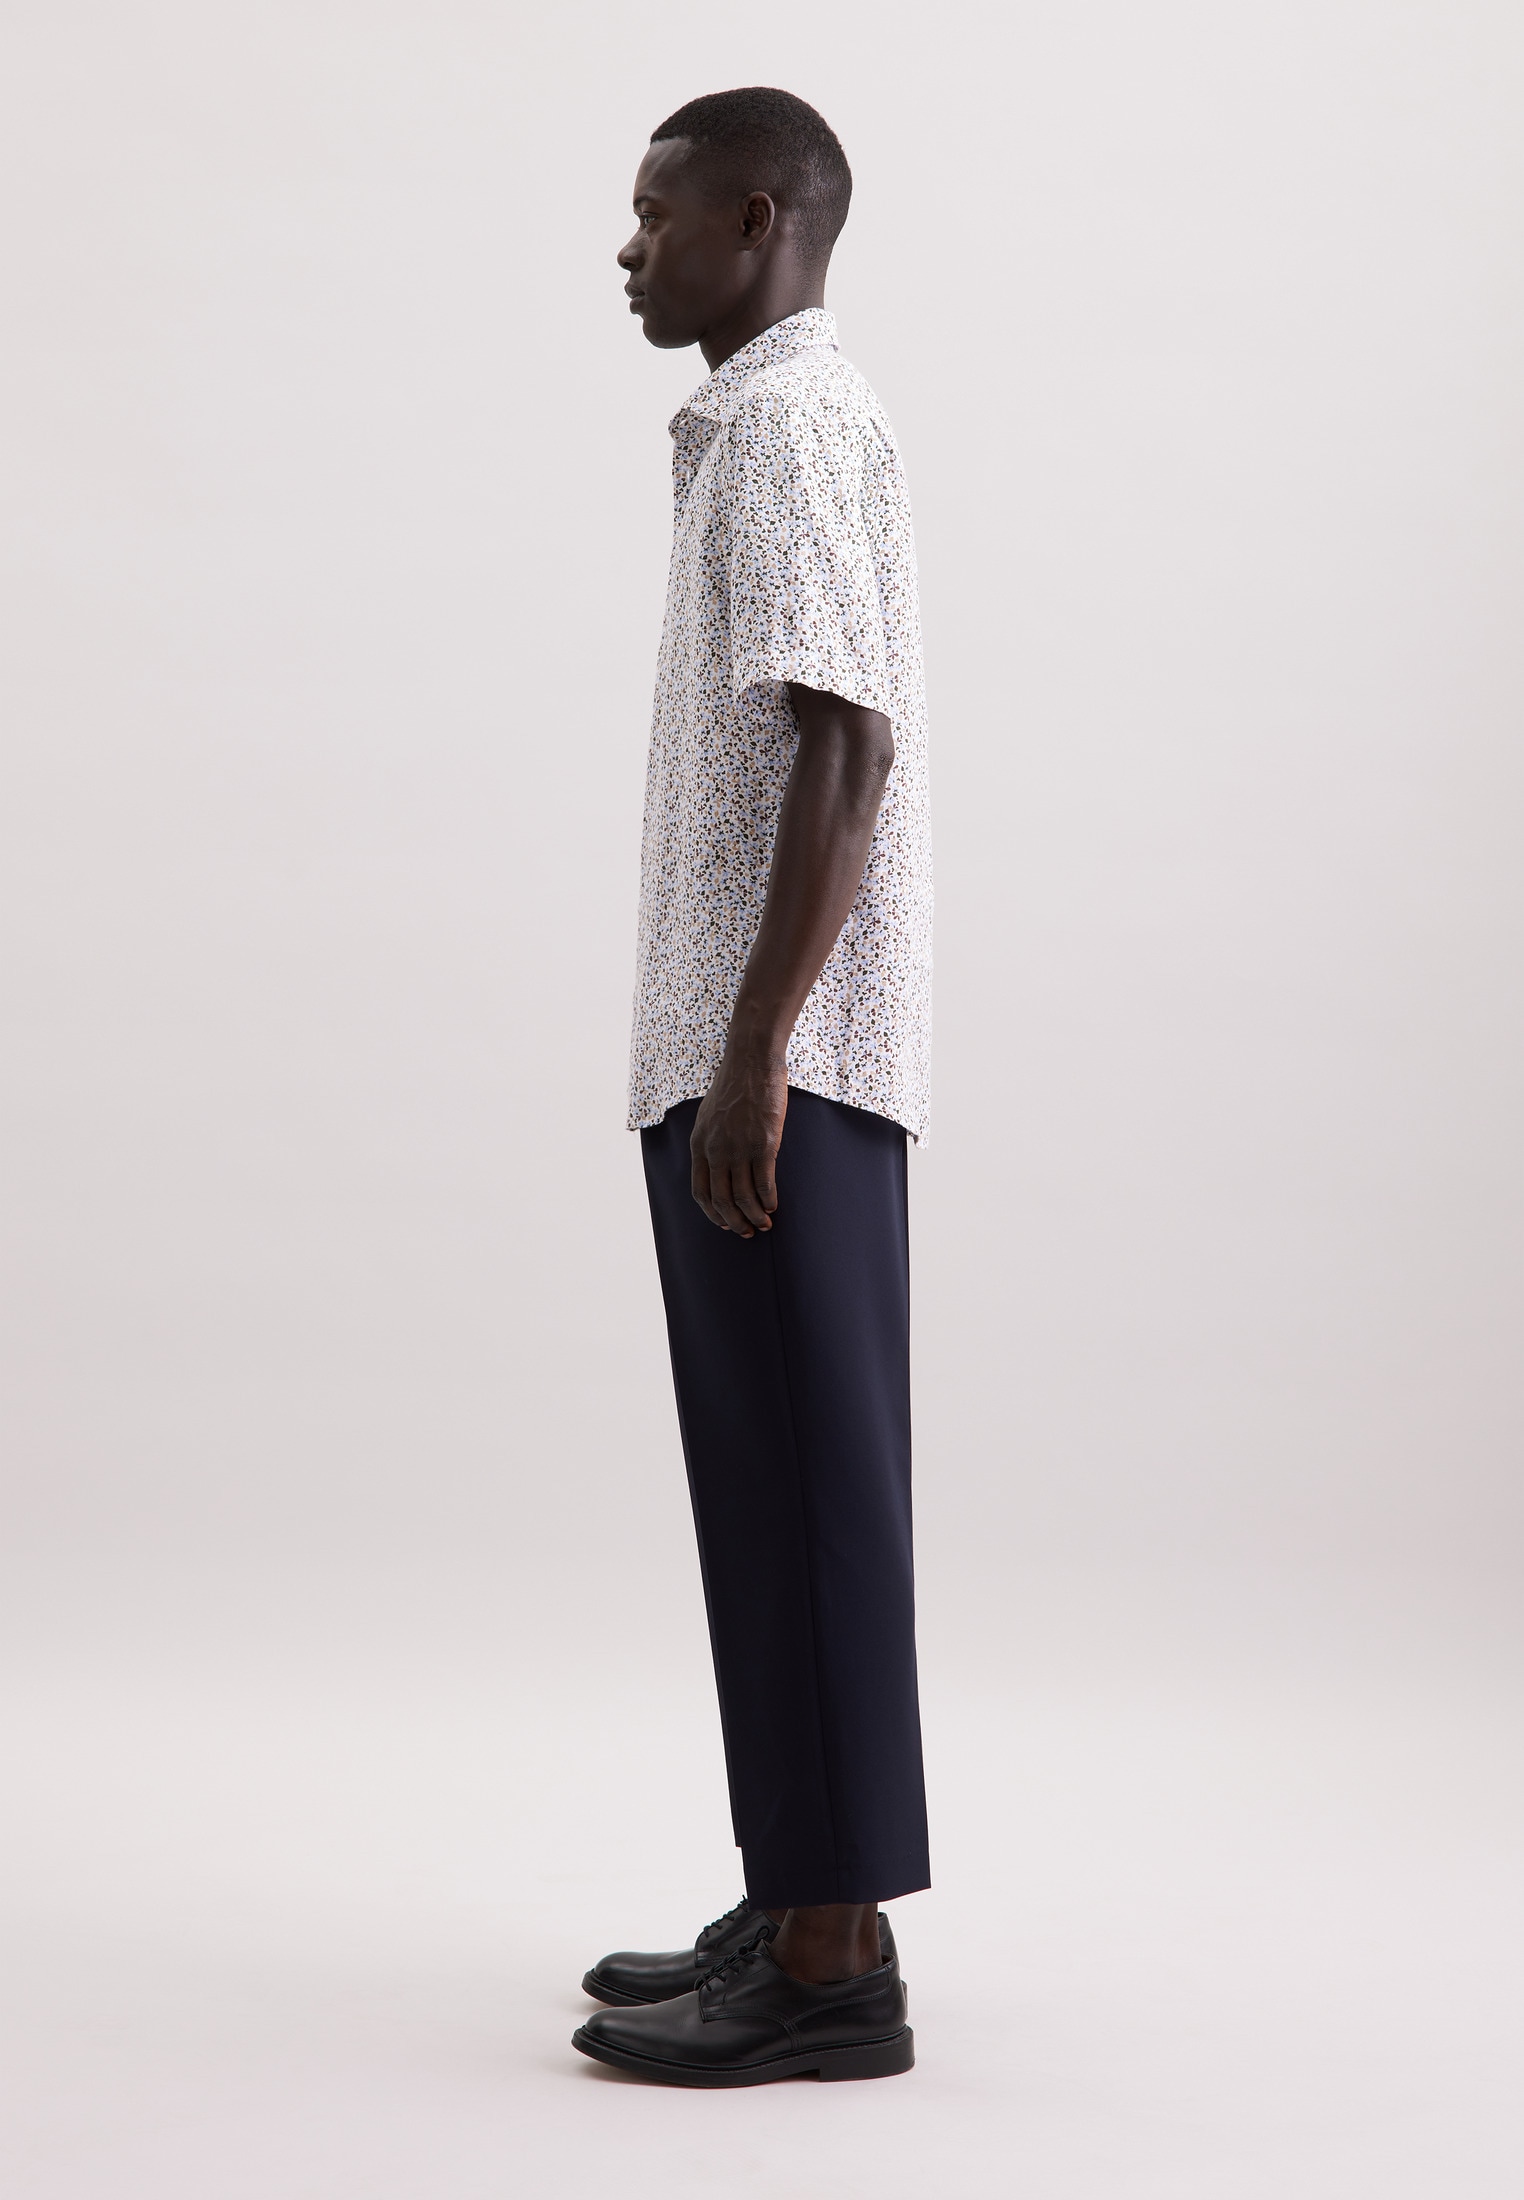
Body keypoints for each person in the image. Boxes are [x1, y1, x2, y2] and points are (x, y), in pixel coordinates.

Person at [572, 86, 933, 2088]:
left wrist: (753, 1049)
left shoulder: (790, 423)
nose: (628, 249)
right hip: (766, 1060)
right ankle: (807, 1889)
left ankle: (827, 1959)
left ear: (761, 215)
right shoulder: (761, 424)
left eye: (658, 213)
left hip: (783, 1072)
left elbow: (843, 745)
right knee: (775, 1492)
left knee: (806, 1496)